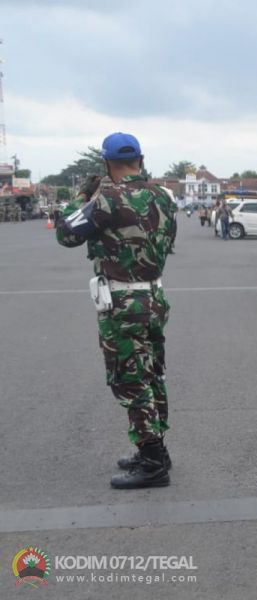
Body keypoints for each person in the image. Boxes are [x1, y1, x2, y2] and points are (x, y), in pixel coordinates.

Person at [55, 132, 177, 489]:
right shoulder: (164, 196)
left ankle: (152, 461)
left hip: (123, 302)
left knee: (130, 377)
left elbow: (66, 233)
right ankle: (157, 448)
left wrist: (81, 196)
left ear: (107, 163)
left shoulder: (107, 200)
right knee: (152, 372)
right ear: (141, 158)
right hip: (154, 296)